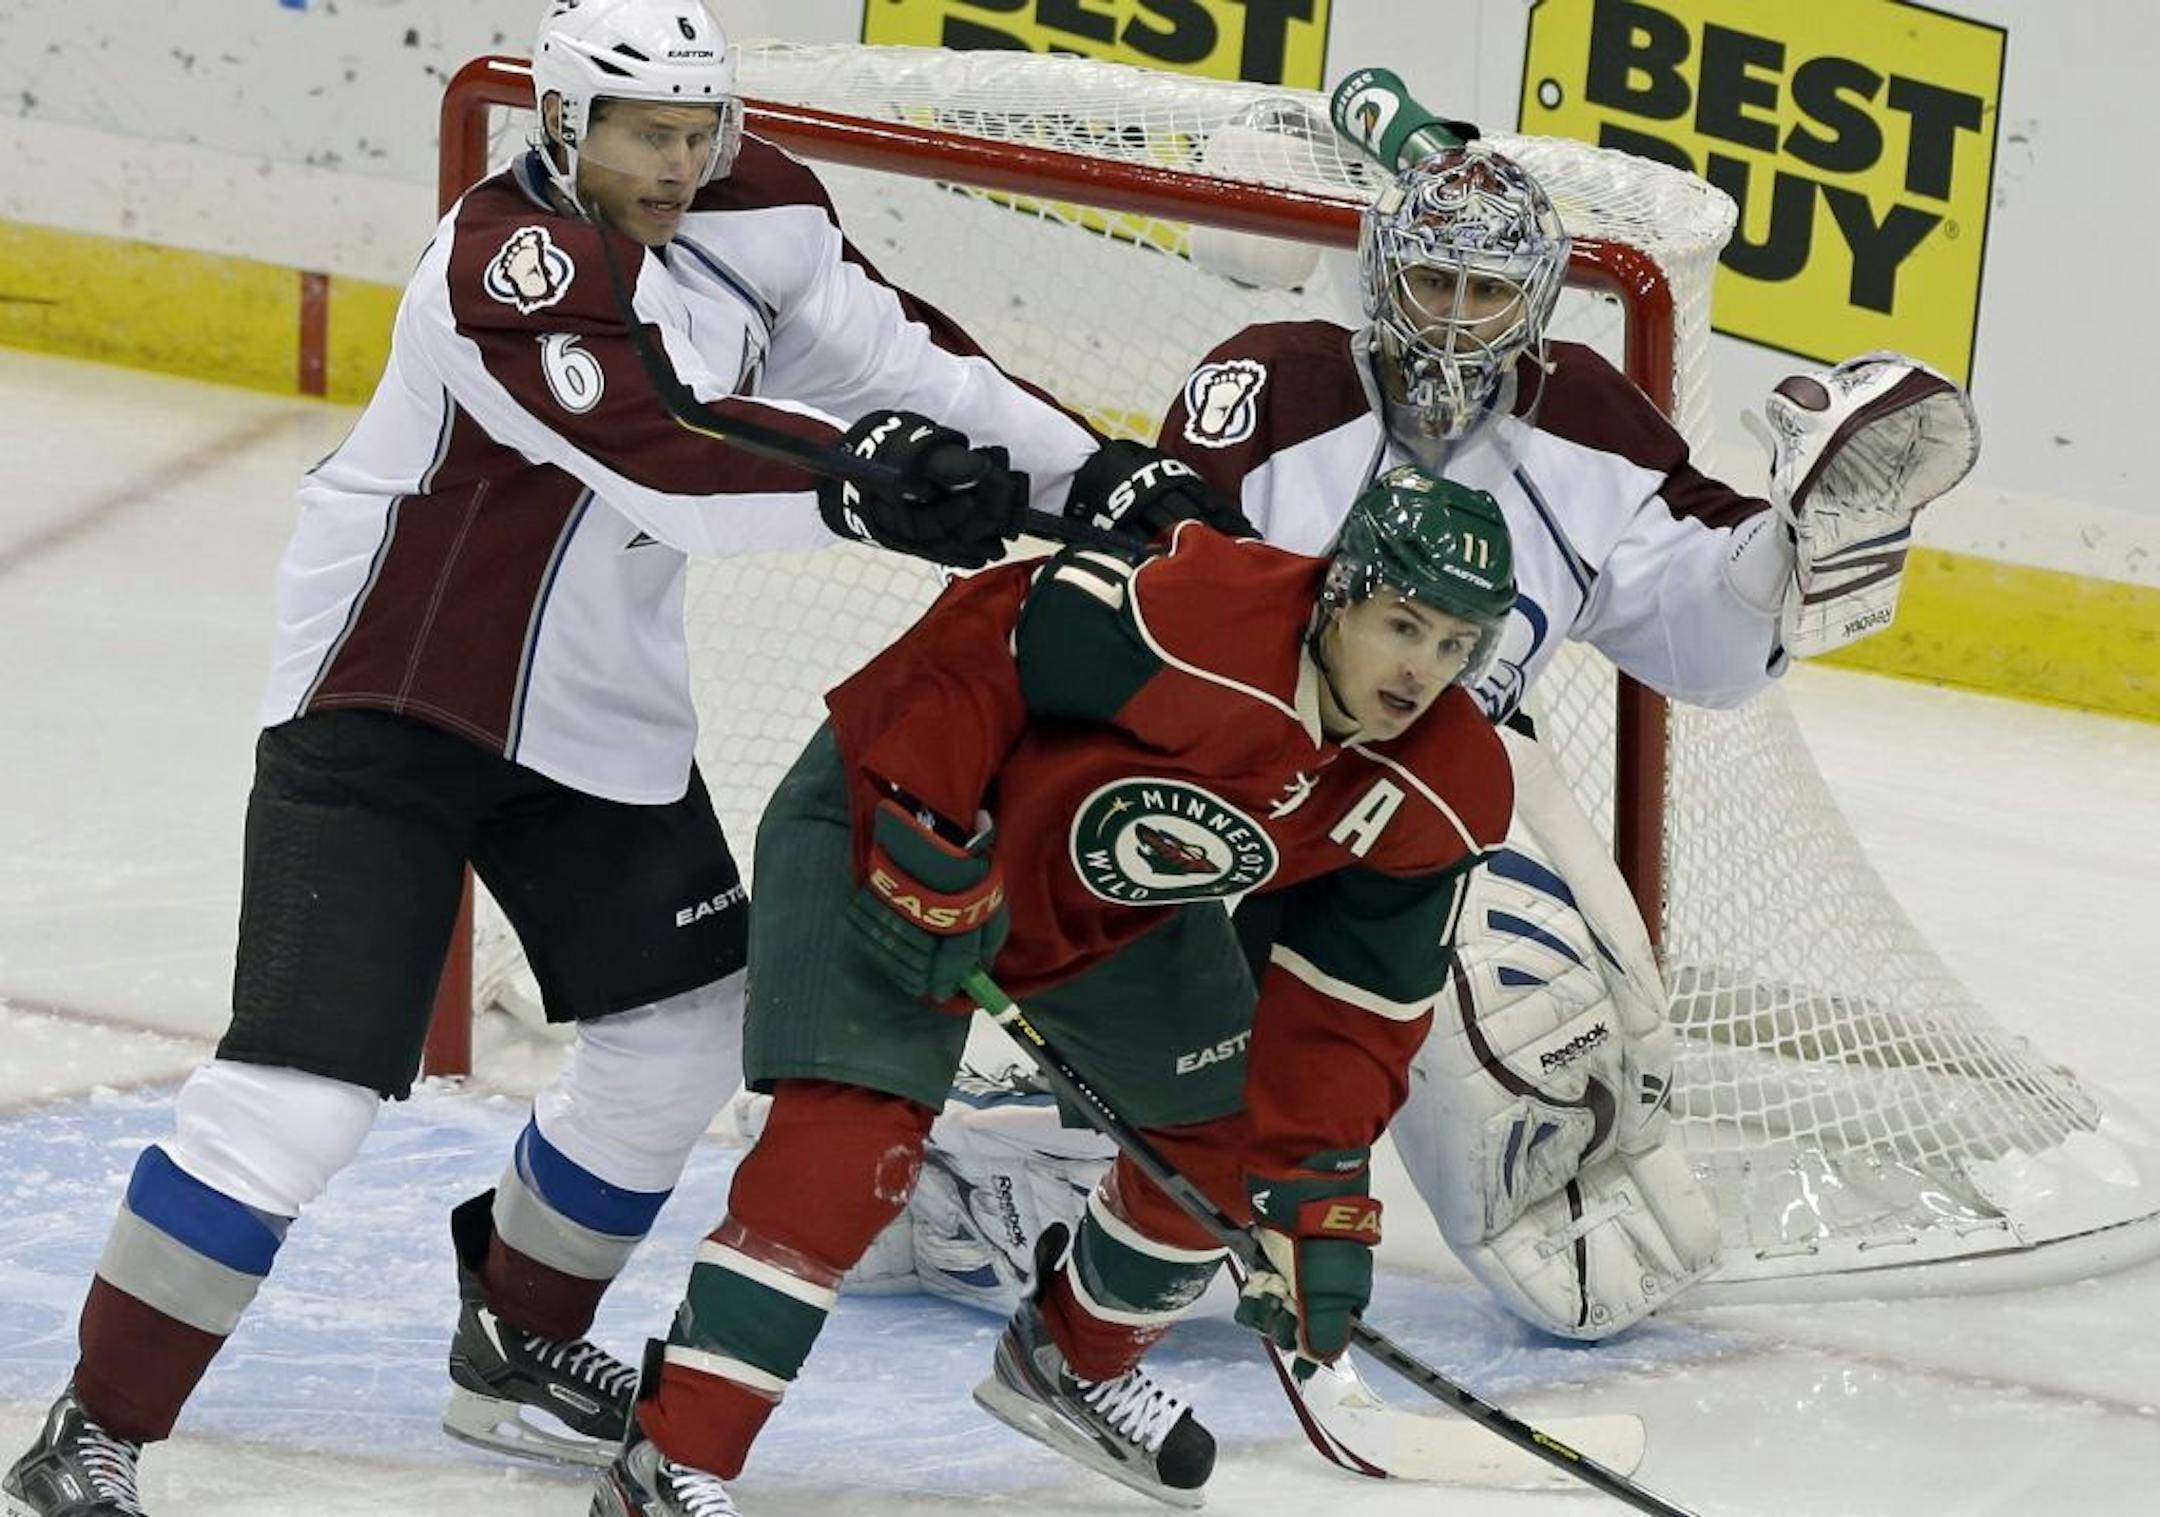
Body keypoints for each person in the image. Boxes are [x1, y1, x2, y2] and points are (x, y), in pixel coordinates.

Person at [0, 3, 1237, 1514]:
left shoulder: (761, 212)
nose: (678, 163)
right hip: (390, 699)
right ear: (564, 125)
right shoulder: (503, 262)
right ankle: (95, 1427)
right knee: (301, 1098)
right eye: (646, 133)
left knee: (683, 1035)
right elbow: (666, 448)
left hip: (597, 711)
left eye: (698, 131)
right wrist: (859, 488)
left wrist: (1094, 475)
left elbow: (907, 365)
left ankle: (519, 1338)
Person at [869, 137, 1982, 1348]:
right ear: (1380, 275)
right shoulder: (1274, 384)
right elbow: (1165, 615)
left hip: (1449, 776)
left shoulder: (1589, 418)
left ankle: (1527, 1177)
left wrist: (1790, 547)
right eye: (1432, 281)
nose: (1453, 319)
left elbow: (1702, 634)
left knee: (1574, 1047)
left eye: (1486, 289)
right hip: (1246, 783)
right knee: (1200, 1129)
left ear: (1536, 301)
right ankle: (991, 1191)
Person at [588, 469, 1519, 1515]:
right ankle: (668, 1461)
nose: (1421, 669)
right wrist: (928, 821)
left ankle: (1070, 1361)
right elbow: (984, 633)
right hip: (897, 823)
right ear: (1340, 594)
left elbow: (1355, 1006)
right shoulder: (1197, 619)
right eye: (1403, 625)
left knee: (1224, 1147)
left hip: (1108, 909)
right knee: (846, 1156)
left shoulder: (1444, 786)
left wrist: (1315, 1187)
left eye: (1455, 645)